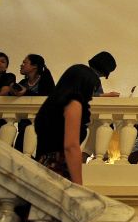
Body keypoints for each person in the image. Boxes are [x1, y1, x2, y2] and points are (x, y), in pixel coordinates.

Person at [33, 51, 116, 185]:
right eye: (91, 87)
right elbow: (71, 146)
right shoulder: (74, 103)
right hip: (58, 170)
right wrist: (78, 185)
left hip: (42, 165)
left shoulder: (51, 105)